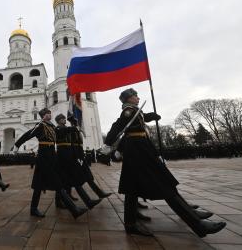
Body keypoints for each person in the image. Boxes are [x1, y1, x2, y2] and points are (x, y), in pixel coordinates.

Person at [103, 88, 226, 237]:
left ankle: (131, 224)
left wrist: (150, 116)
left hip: (140, 151)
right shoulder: (128, 111)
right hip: (138, 152)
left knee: (132, 189)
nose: (138, 97)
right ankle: (197, 225)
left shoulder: (135, 111)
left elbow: (139, 120)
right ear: (128, 98)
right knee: (165, 185)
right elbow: (118, 125)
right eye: (135, 95)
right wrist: (108, 142)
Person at [13, 108, 87, 219]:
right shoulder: (41, 126)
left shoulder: (52, 126)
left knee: (40, 185)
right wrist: (17, 145)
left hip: (52, 156)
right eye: (48, 113)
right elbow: (28, 134)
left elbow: (61, 131)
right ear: (43, 115)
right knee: (56, 183)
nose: (50, 115)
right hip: (43, 157)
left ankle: (34, 209)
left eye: (50, 113)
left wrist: (73, 128)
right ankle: (74, 209)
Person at [55, 113, 101, 210]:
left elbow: (72, 137)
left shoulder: (66, 128)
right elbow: (67, 130)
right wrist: (74, 125)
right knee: (62, 181)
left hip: (69, 156)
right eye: (62, 119)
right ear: (58, 121)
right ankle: (59, 202)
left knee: (66, 181)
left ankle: (87, 201)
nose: (64, 120)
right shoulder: (58, 129)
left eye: (64, 118)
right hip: (62, 157)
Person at [67, 116, 112, 200]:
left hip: (80, 157)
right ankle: (68, 195)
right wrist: (78, 158)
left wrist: (81, 157)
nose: (78, 123)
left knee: (88, 177)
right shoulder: (72, 131)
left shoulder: (77, 131)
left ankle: (100, 193)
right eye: (76, 122)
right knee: (74, 179)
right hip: (76, 158)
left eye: (77, 122)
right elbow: (73, 146)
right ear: (73, 123)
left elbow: (79, 146)